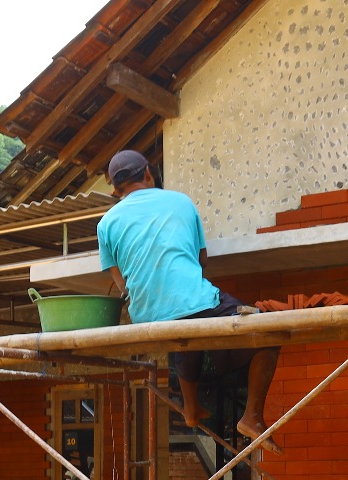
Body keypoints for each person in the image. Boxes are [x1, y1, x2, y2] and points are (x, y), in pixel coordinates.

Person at [97, 150, 282, 453]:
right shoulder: (181, 201)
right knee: (267, 328)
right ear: (148, 174)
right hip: (190, 303)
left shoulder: (106, 223)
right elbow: (202, 259)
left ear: (116, 190)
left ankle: (191, 408)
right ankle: (252, 416)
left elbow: (121, 282)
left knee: (187, 331)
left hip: (144, 315)